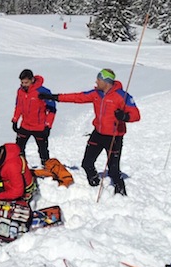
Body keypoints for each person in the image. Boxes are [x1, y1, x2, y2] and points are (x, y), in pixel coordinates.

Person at [39, 68, 140, 196]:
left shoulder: (122, 96)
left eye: (98, 79)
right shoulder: (96, 93)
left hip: (114, 137)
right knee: (87, 163)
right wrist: (55, 97)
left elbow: (136, 115)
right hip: (98, 134)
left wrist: (125, 117)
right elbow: (77, 97)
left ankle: (121, 195)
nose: (96, 82)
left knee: (113, 170)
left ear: (106, 81)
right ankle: (94, 184)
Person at [12, 69, 57, 166]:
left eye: (26, 82)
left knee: (43, 150)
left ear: (32, 80)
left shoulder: (42, 91)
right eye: (22, 82)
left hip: (40, 127)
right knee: (18, 148)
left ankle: (47, 169)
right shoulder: (20, 91)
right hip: (25, 125)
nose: (24, 85)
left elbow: (52, 110)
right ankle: (22, 167)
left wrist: (48, 126)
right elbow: (19, 106)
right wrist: (15, 120)